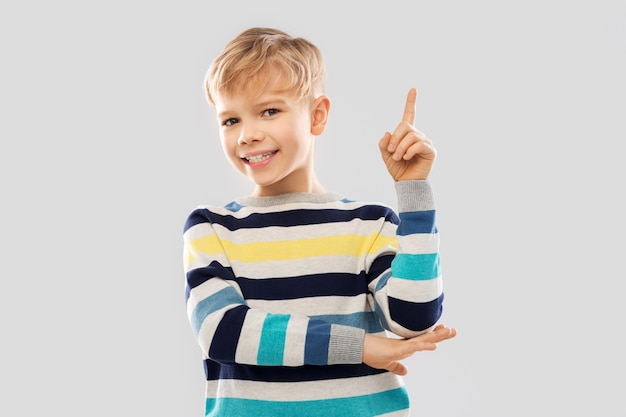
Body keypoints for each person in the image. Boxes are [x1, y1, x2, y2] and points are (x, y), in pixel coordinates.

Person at [182, 27, 457, 417]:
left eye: (269, 111)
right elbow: (223, 332)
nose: (247, 134)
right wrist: (359, 346)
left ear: (317, 114)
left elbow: (413, 318)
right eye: (230, 120)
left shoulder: (369, 224)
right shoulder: (212, 229)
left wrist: (414, 194)